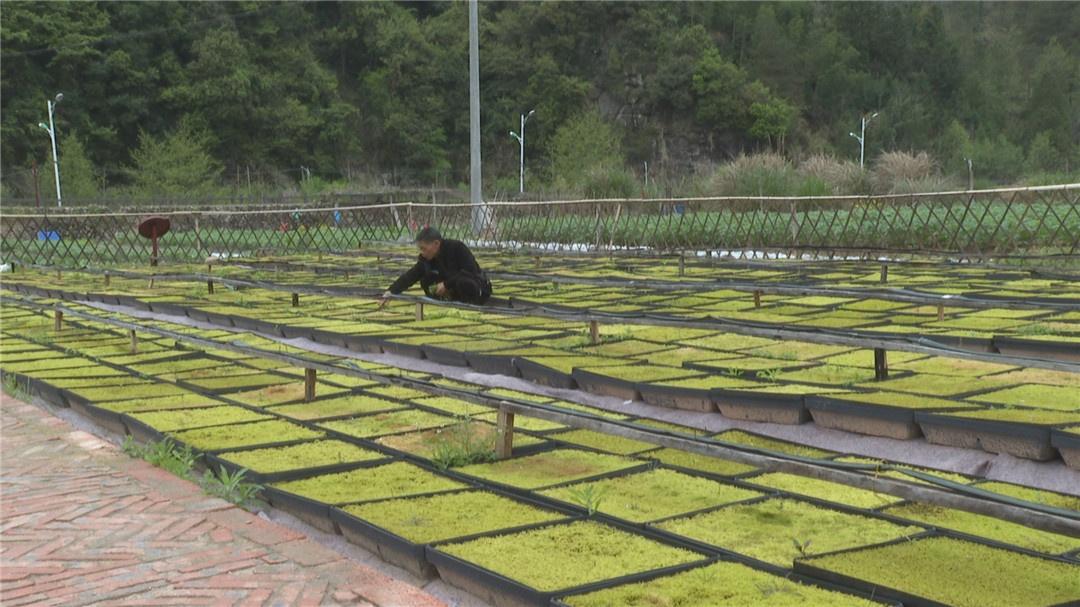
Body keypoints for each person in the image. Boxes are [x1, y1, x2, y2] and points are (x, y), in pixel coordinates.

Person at [379, 227, 492, 308]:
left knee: (464, 282)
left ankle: (470, 306)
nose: (422, 252)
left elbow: (470, 271)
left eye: (423, 248)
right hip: (450, 290)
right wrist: (391, 292)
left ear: (436, 244)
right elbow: (410, 276)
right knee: (425, 280)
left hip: (476, 287)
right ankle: (445, 301)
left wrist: (447, 284)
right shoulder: (426, 259)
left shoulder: (457, 248)